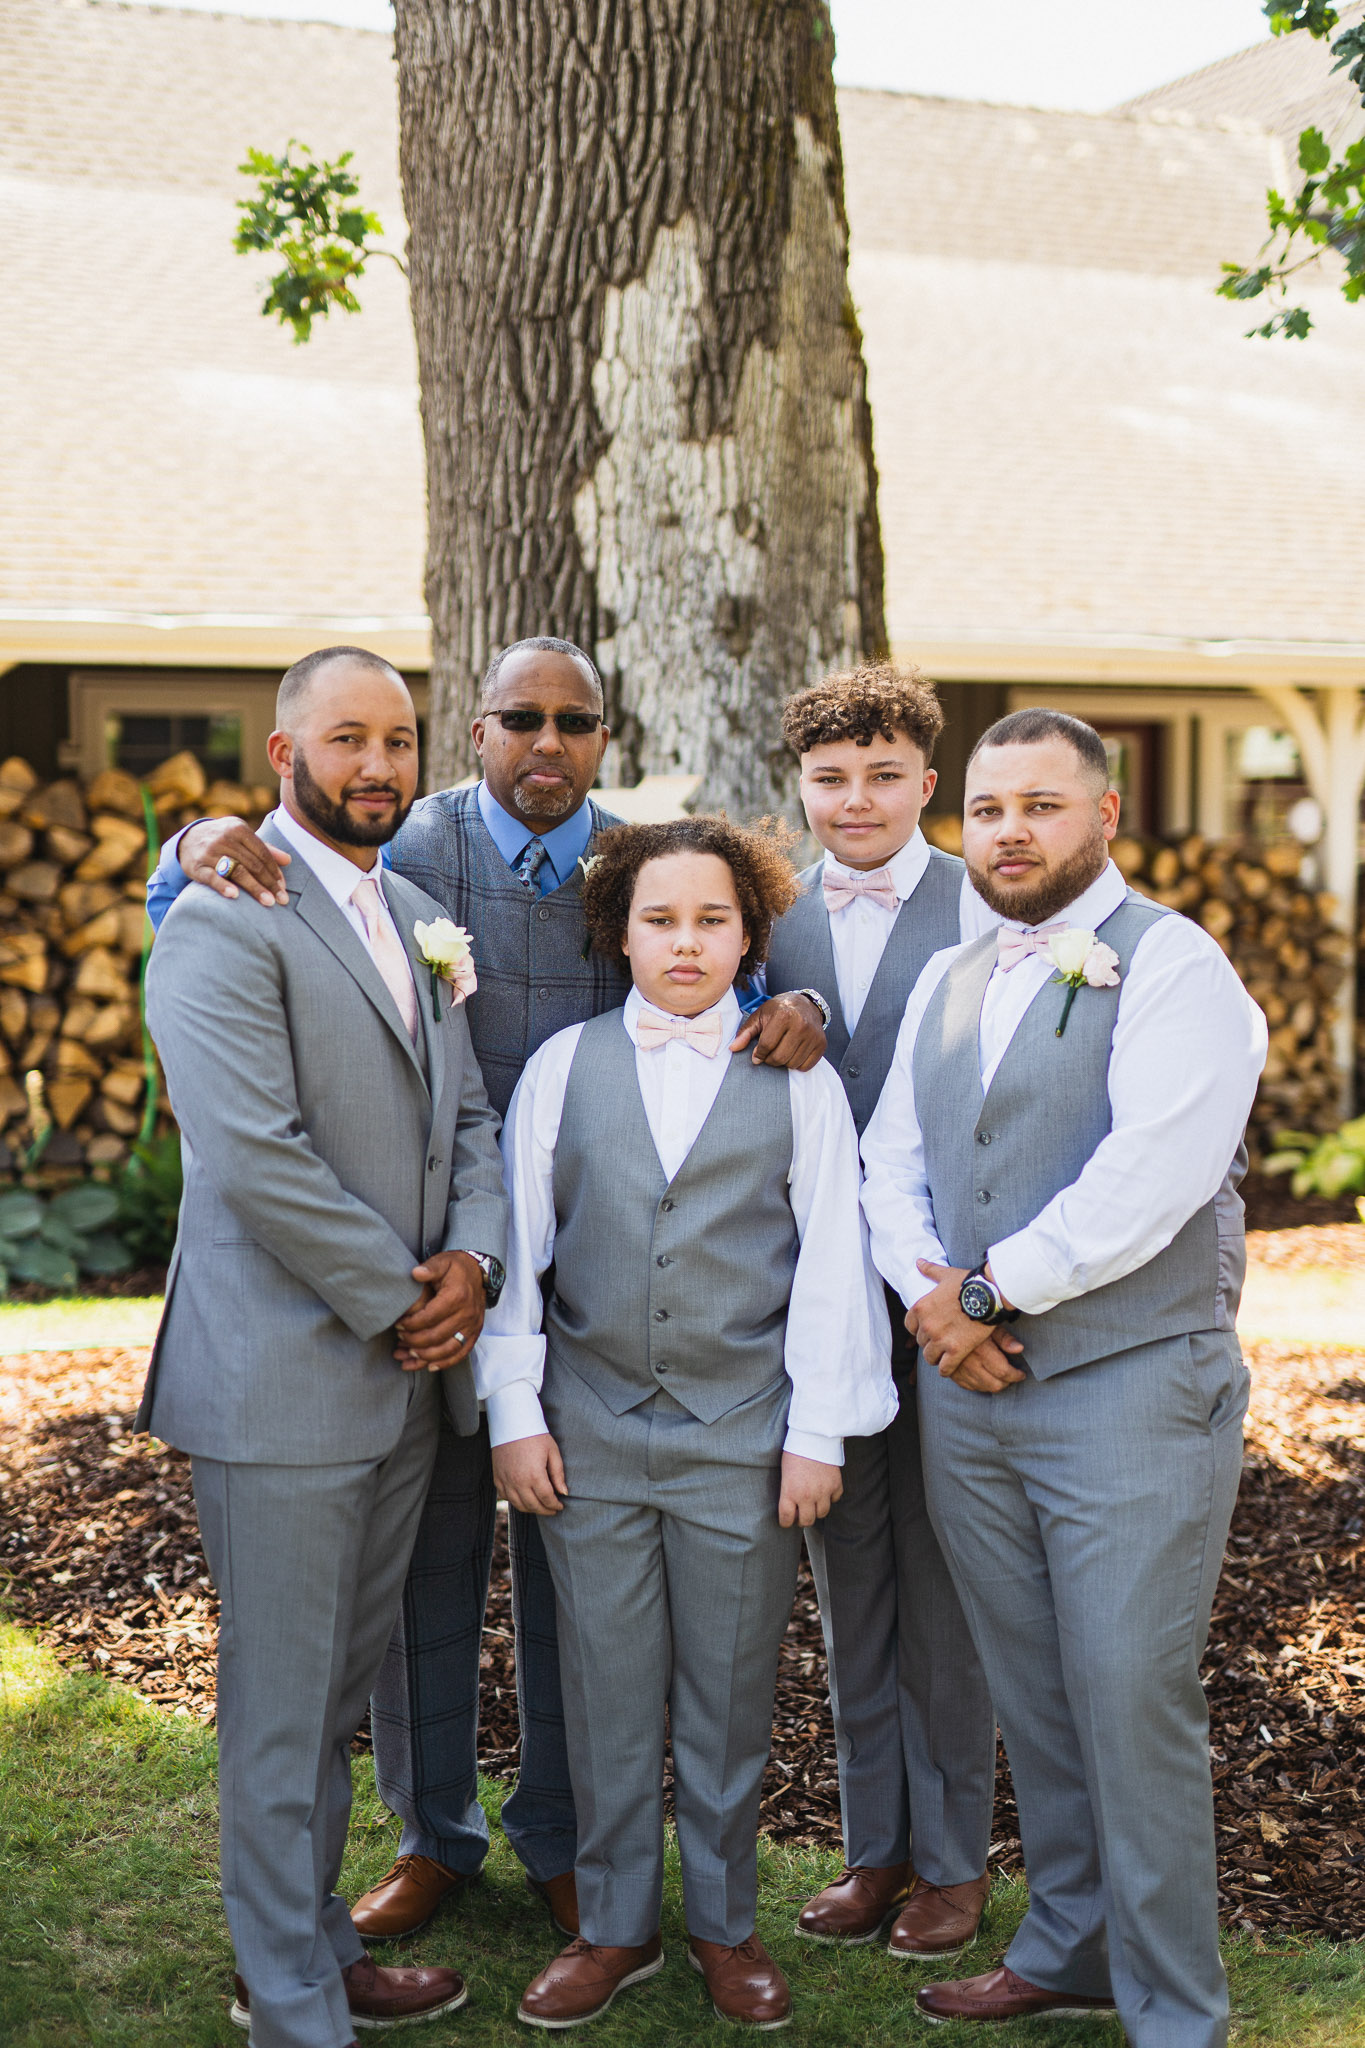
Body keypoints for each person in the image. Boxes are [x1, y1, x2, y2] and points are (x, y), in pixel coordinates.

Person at [144, 637, 829, 1943]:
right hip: (412, 1273)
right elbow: (216, 903)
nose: (548, 743)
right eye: (521, 718)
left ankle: (567, 1832)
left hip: (594, 1290)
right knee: (423, 1577)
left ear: (605, 738)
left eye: (576, 720)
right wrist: (185, 842)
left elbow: (728, 983)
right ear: (477, 732)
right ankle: (435, 1832)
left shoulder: (640, 863)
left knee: (580, 1578)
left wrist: (795, 1000)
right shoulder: (400, 850)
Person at [860, 708, 1267, 2047]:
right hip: (970, 1399)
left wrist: (983, 1293)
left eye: (1041, 805)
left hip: (1130, 1388)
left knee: (1130, 1695)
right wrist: (932, 1297)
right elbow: (890, 1161)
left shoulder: (1174, 964)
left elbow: (1151, 1175)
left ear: (1104, 814)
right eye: (987, 809)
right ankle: (1071, 1946)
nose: (1010, 832)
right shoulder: (951, 973)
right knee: (1032, 1693)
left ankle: (1174, 2009)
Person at [138, 647, 509, 2048]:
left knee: (339, 1691)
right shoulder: (221, 919)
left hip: (406, 1378)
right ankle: (290, 2001)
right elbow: (251, 1152)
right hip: (283, 1376)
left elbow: (466, 1118)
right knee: (283, 1707)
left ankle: (309, 1946)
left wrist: (473, 1264)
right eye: (347, 738)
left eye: (399, 740)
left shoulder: (412, 913)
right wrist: (399, 1296)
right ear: (285, 755)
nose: (378, 765)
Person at [477, 817, 897, 2030]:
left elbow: (833, 1262)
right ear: (619, 933)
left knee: (726, 1693)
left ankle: (723, 1921)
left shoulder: (800, 1083)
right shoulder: (562, 1067)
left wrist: (818, 1431)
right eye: (660, 919)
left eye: (713, 920)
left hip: (745, 1438)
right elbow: (519, 1251)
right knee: (605, 1689)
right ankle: (614, 1926)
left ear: (750, 935)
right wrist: (515, 1411)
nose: (685, 942)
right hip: (590, 1434)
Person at [762, 663, 1001, 1959]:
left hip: (949, 1298)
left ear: (927, 781)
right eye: (831, 778)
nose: (856, 800)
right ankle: (876, 1850)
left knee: (947, 1583)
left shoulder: (991, 904)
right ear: (799, 786)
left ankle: (954, 1861)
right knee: (850, 1580)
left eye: (883, 775)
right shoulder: (761, 914)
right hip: (814, 1305)